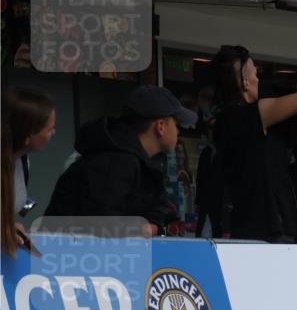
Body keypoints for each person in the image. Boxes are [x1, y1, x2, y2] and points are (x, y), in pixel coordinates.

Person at [209, 45, 297, 242]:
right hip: (269, 230)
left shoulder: (229, 122)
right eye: (254, 73)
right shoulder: (248, 116)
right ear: (245, 83)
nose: (258, 78)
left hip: (253, 226)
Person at [45, 86, 196, 235]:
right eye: (176, 125)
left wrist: (165, 222)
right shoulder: (114, 162)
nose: (178, 131)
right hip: (71, 255)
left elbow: (154, 209)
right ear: (161, 126)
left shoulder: (143, 164)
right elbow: (101, 223)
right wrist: (144, 229)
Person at [2, 87, 56, 221]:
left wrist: (9, 227)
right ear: (27, 134)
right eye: (49, 129)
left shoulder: (22, 160)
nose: (53, 133)